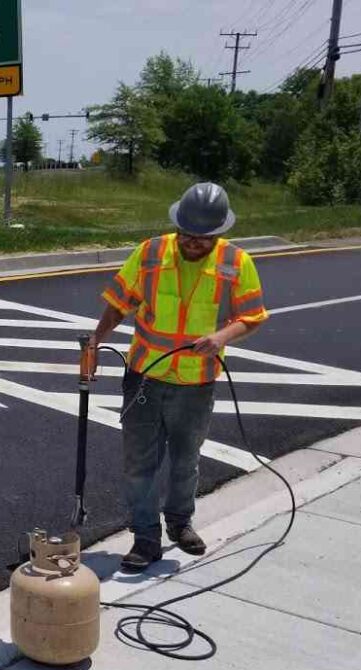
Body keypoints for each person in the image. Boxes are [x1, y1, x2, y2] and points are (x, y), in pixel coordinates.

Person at [87, 182, 270, 571]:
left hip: (197, 382)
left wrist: (221, 336)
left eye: (202, 238)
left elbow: (251, 316)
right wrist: (95, 342)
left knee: (186, 460)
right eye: (187, 234)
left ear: (220, 233)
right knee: (140, 462)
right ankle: (145, 538)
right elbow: (119, 305)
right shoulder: (150, 253)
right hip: (145, 376)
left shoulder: (237, 263)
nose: (192, 243)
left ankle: (180, 524)